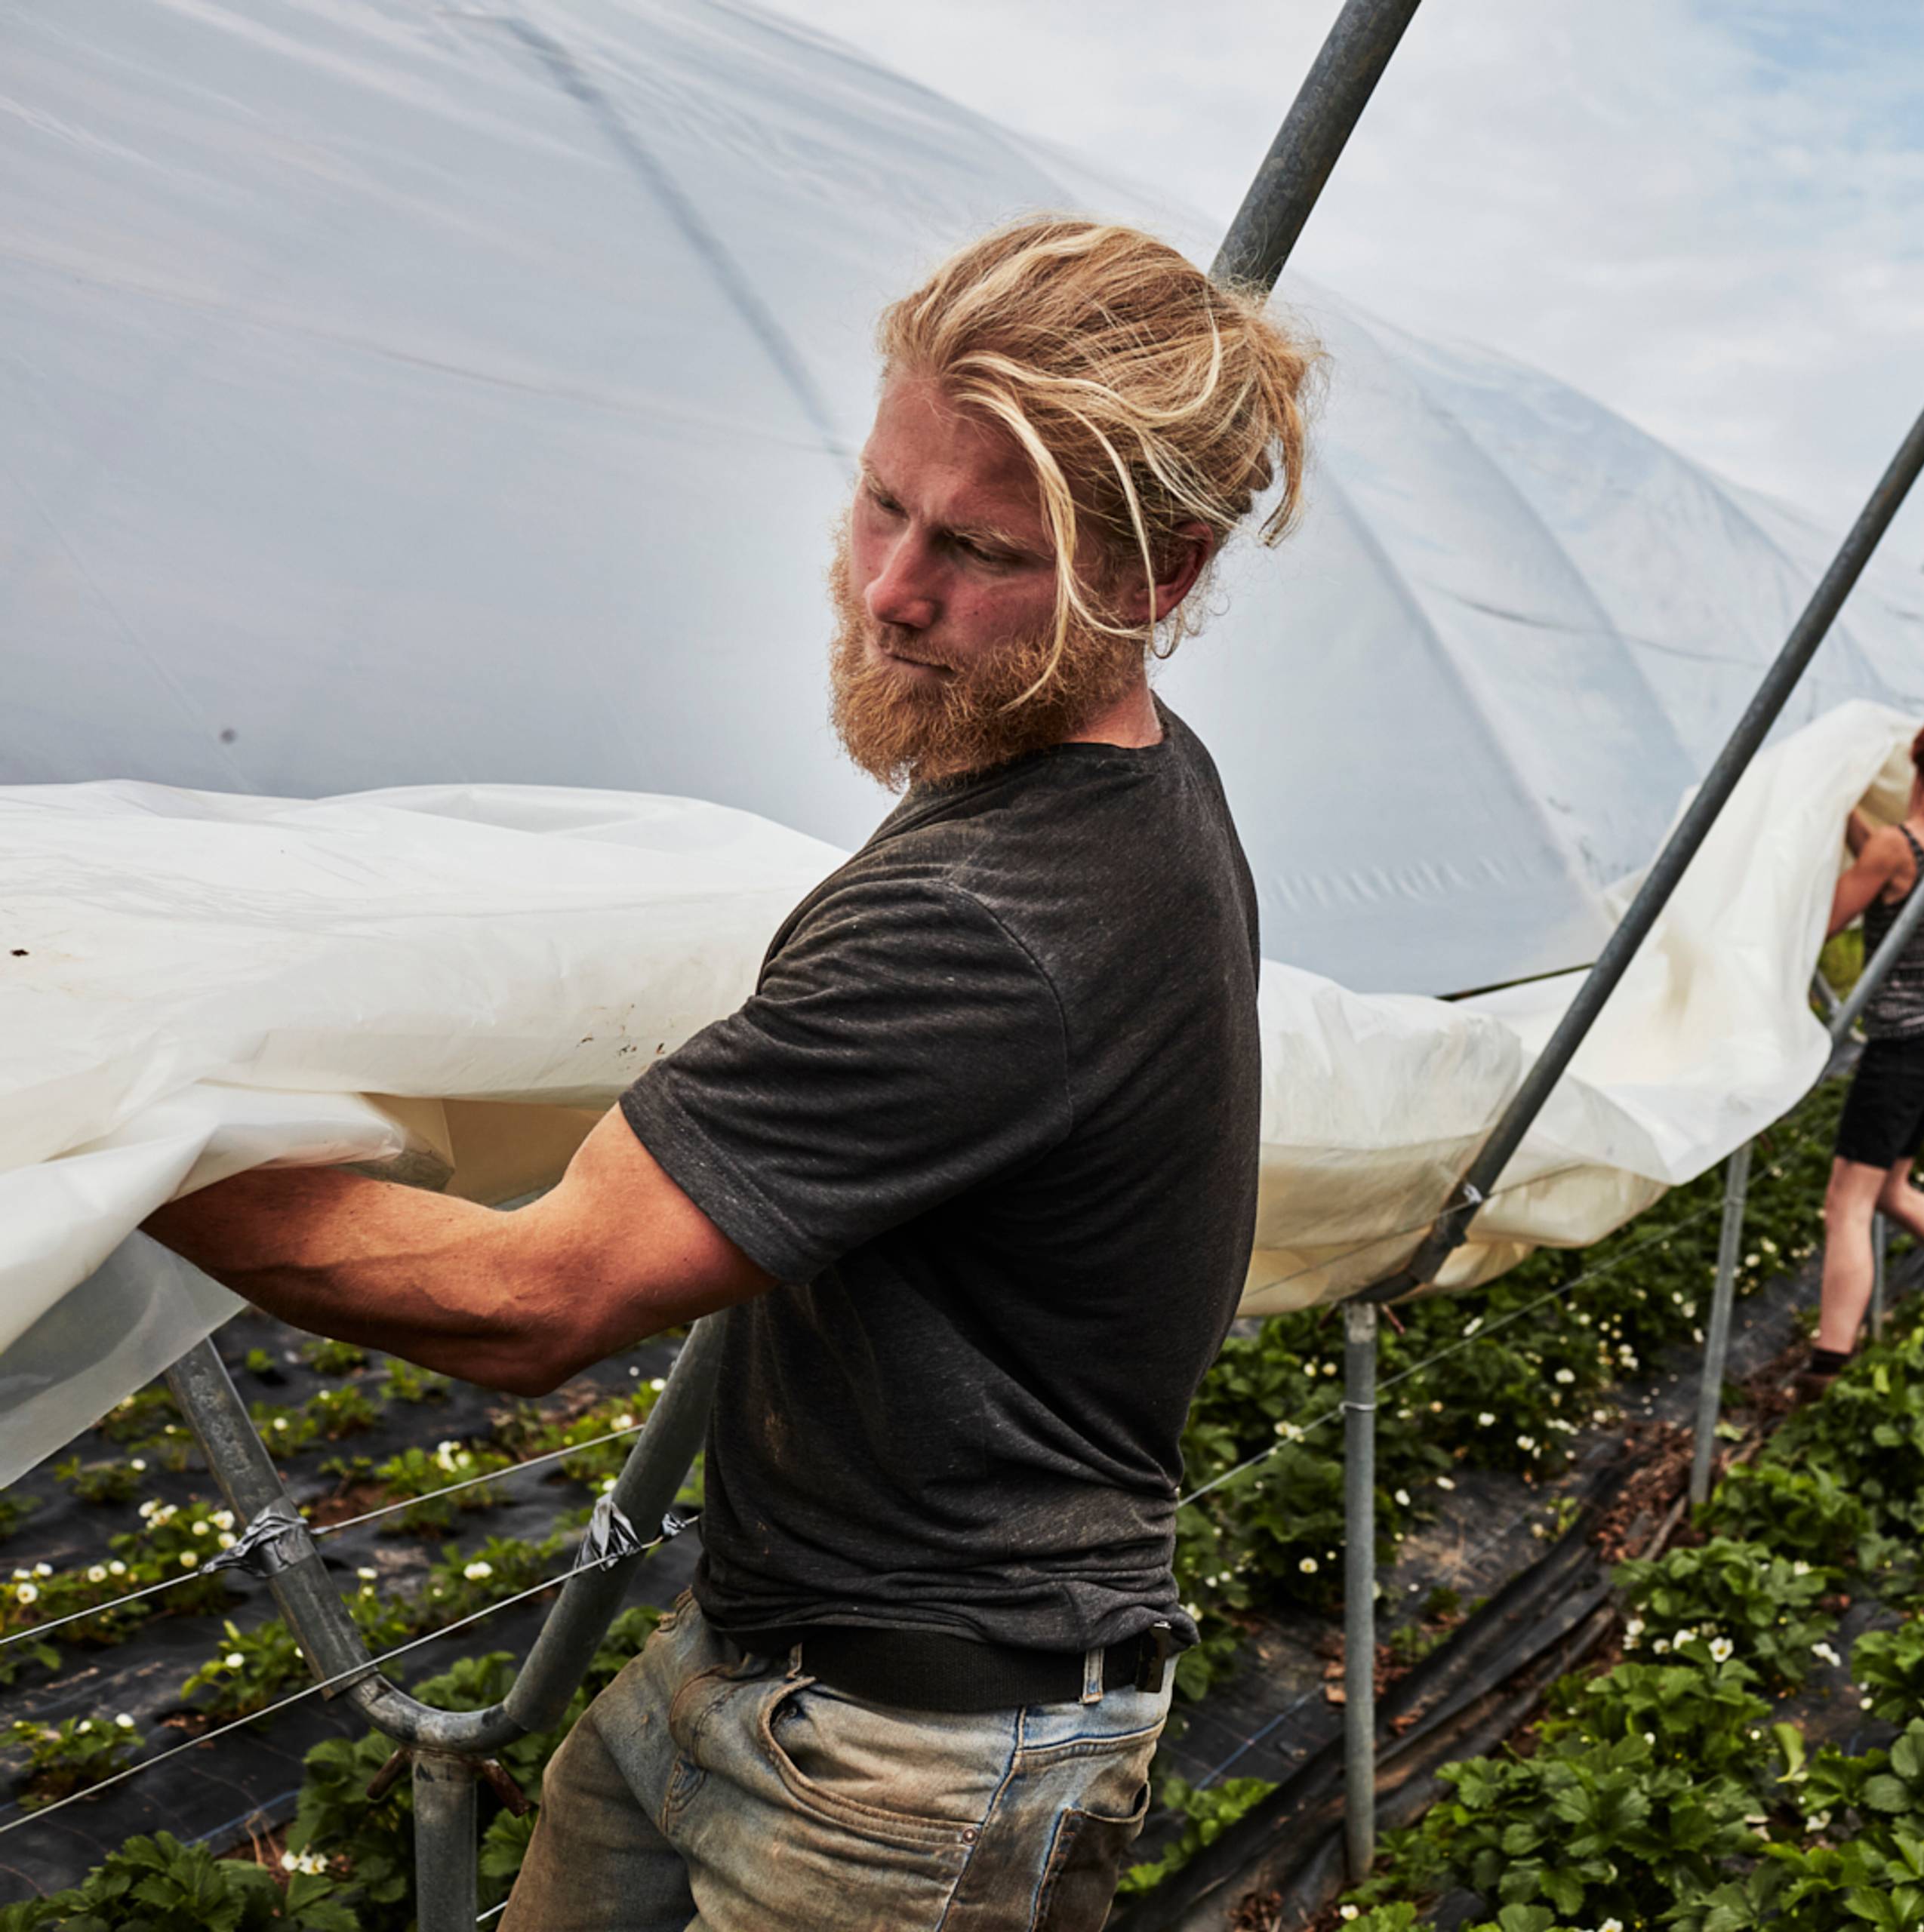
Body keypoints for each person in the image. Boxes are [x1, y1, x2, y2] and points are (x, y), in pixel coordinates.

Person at [143, 218, 1318, 1931]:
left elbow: (529, 1300)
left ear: (1156, 577)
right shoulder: (1093, 772)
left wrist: (112, 1144)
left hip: (908, 1767)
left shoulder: (998, 921)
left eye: (979, 546)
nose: (889, 586)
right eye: (878, 502)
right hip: (767, 1655)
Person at [1802, 707, 1924, 1395]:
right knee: (1891, 1191)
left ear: (1916, 758)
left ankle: (1830, 1364)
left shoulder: (1893, 848)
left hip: (1901, 1049)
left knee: (1845, 1205)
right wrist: (1845, 812)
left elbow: (1827, 920)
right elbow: (1890, 857)